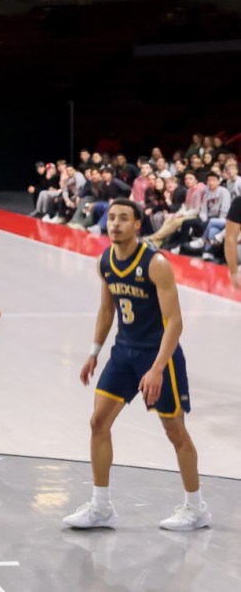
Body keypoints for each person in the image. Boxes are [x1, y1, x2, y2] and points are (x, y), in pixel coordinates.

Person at [64, 199, 210, 532]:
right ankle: (101, 507)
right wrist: (93, 352)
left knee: (175, 432)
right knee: (98, 422)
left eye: (123, 219)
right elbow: (106, 310)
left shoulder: (156, 264)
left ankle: (196, 508)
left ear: (138, 225)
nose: (114, 224)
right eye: (111, 218)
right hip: (123, 353)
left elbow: (174, 322)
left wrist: (158, 368)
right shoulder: (105, 261)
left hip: (160, 356)